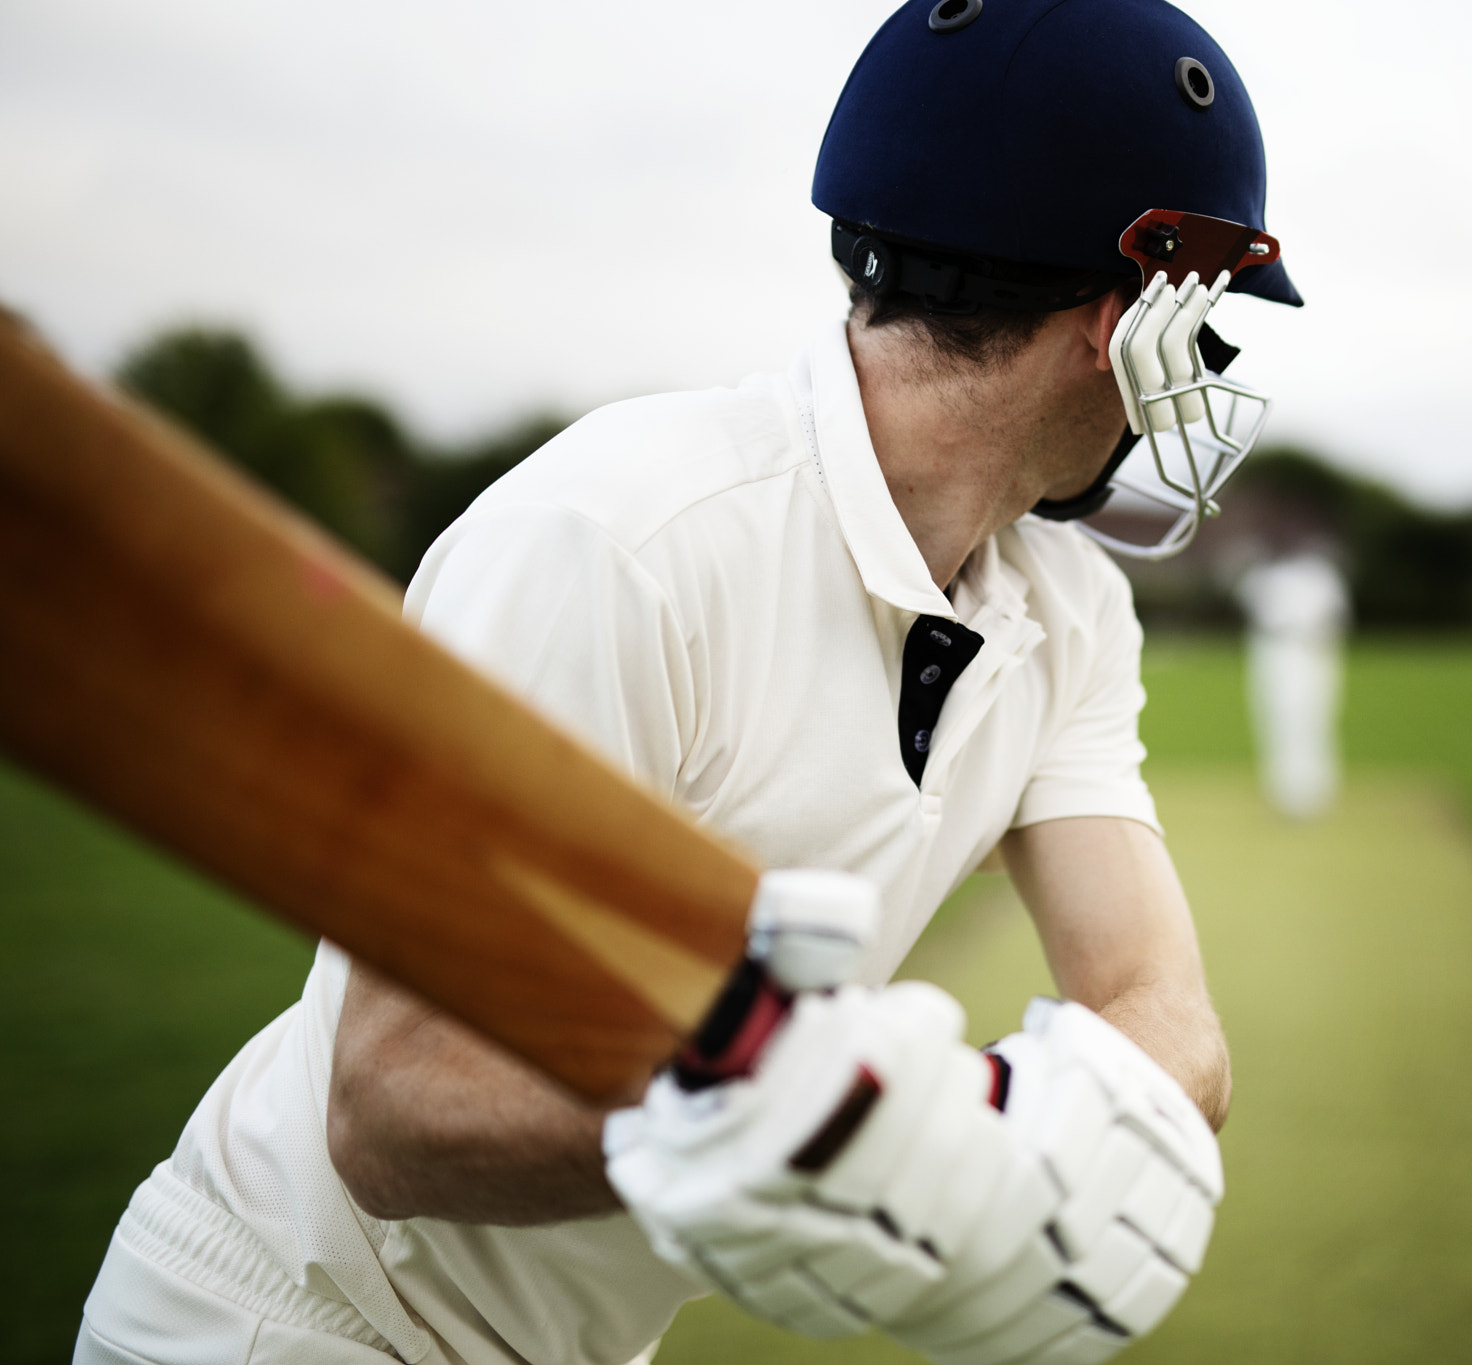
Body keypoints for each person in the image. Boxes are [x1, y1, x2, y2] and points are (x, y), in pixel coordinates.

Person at [74, 2, 1301, 1362]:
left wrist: (969, 1121)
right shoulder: (617, 537)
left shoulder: (1069, 609)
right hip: (289, 1318)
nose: (1205, 373)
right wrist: (802, 1124)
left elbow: (1166, 1019)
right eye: (1212, 325)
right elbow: (392, 1111)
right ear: (1128, 314)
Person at [1236, 555, 1350, 820]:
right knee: (1275, 719)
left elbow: (1336, 617)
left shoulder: (1321, 575)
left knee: (1313, 719)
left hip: (1312, 652)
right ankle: (1283, 790)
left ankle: (1313, 789)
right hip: (1275, 652)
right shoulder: (1266, 574)